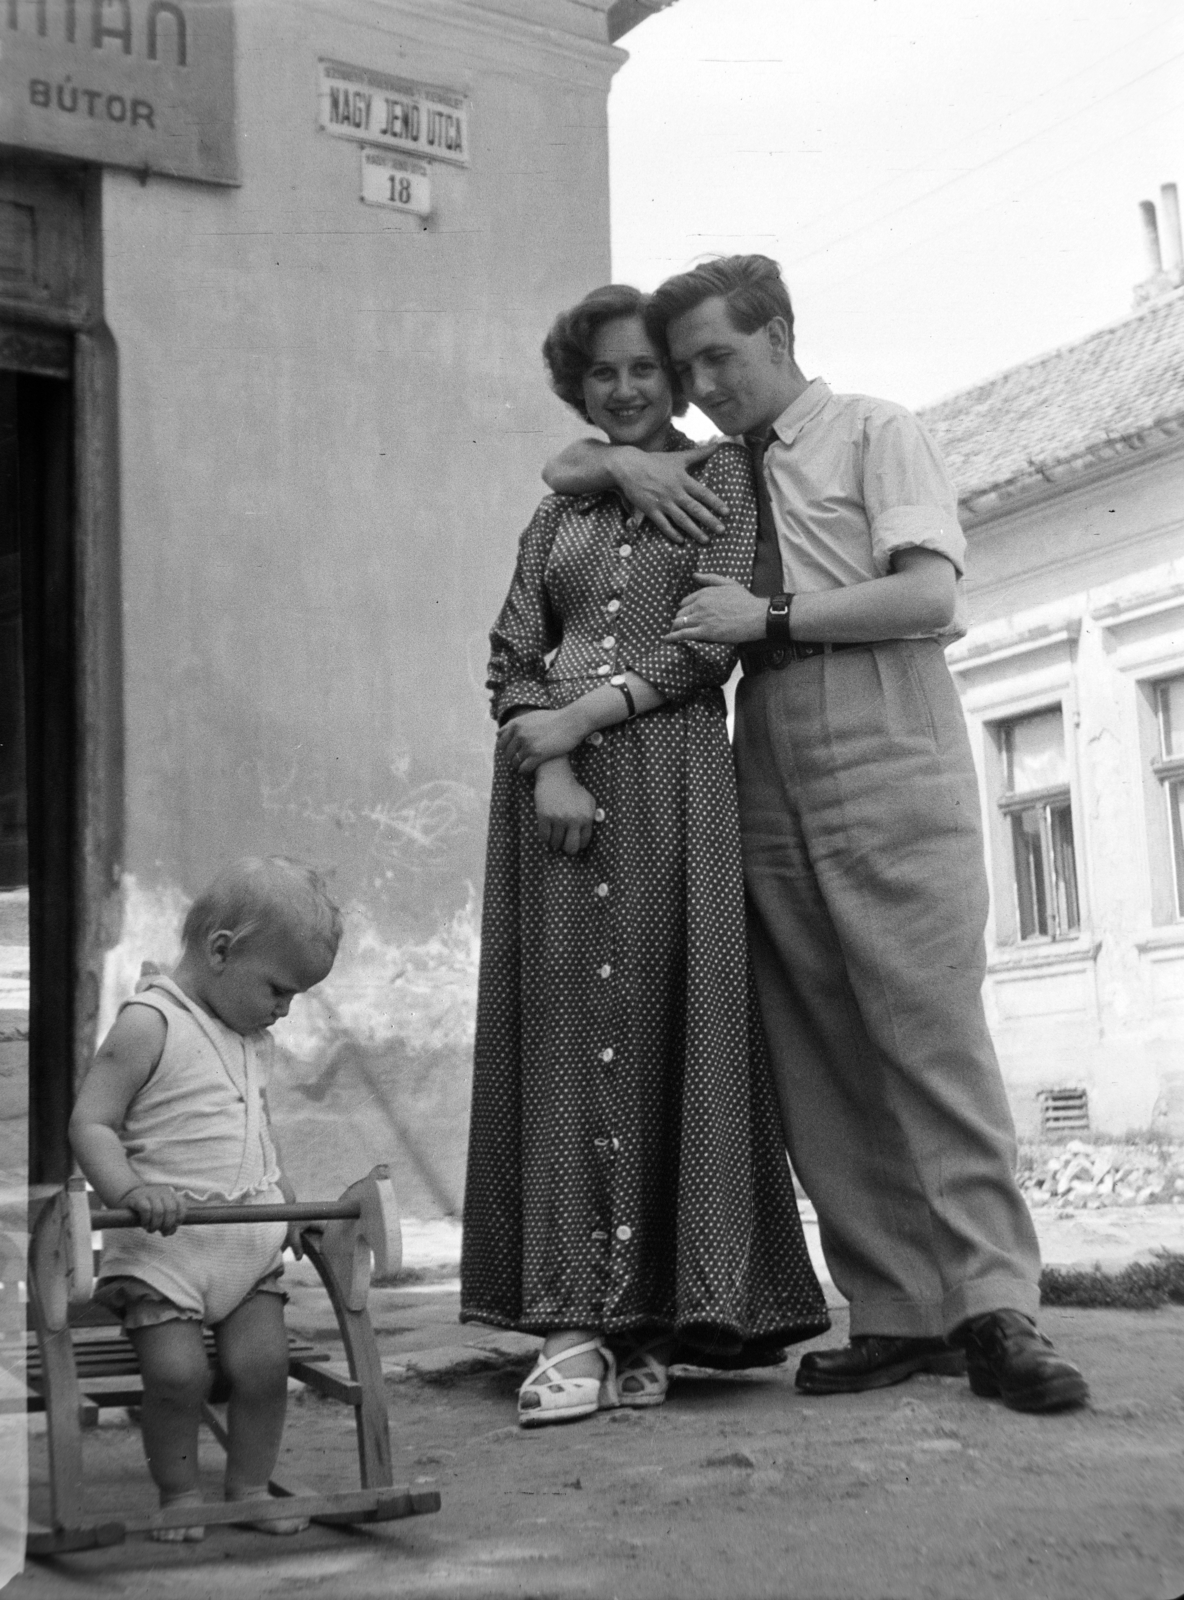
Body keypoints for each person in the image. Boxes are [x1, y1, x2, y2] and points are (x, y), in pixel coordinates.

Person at [543, 256, 1088, 1414]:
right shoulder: (711, 471)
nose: (698, 382)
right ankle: (893, 1311)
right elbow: (566, 460)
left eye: (717, 357)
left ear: (779, 334)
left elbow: (928, 597)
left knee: (924, 1029)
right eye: (683, 365)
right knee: (817, 1044)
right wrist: (635, 461)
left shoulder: (871, 432)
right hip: (765, 739)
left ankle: (996, 1309)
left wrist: (771, 613)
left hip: (880, 713)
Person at [460, 283, 829, 1428]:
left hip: (670, 771)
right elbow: (514, 650)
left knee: (677, 1021)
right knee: (568, 1035)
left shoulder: (722, 483)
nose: (625, 390)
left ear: (676, 380)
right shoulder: (559, 508)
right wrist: (550, 757)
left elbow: (703, 642)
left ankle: (659, 1315)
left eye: (645, 372)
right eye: (603, 375)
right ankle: (573, 1323)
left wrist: (583, 720)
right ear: (580, 386)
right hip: (552, 793)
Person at [69, 856, 342, 1538]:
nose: (285, 1009)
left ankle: (248, 1486)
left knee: (264, 1366)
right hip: (167, 1247)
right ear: (221, 951)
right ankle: (179, 1494)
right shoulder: (150, 1023)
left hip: (243, 1245)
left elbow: (255, 1130)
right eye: (279, 989)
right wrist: (132, 1190)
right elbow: (90, 1122)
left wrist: (288, 1202)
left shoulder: (250, 1035)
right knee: (176, 1375)